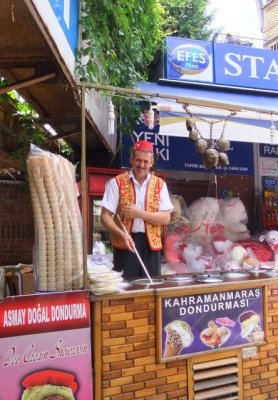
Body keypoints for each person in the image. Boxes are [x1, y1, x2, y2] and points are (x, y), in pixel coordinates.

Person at [100, 140, 173, 278]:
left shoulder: (160, 184)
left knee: (150, 286)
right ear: (131, 159)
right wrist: (121, 234)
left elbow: (166, 218)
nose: (141, 165)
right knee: (126, 285)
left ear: (151, 163)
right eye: (138, 160)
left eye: (146, 162)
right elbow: (105, 216)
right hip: (125, 242)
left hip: (151, 245)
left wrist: (139, 214)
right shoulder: (117, 182)